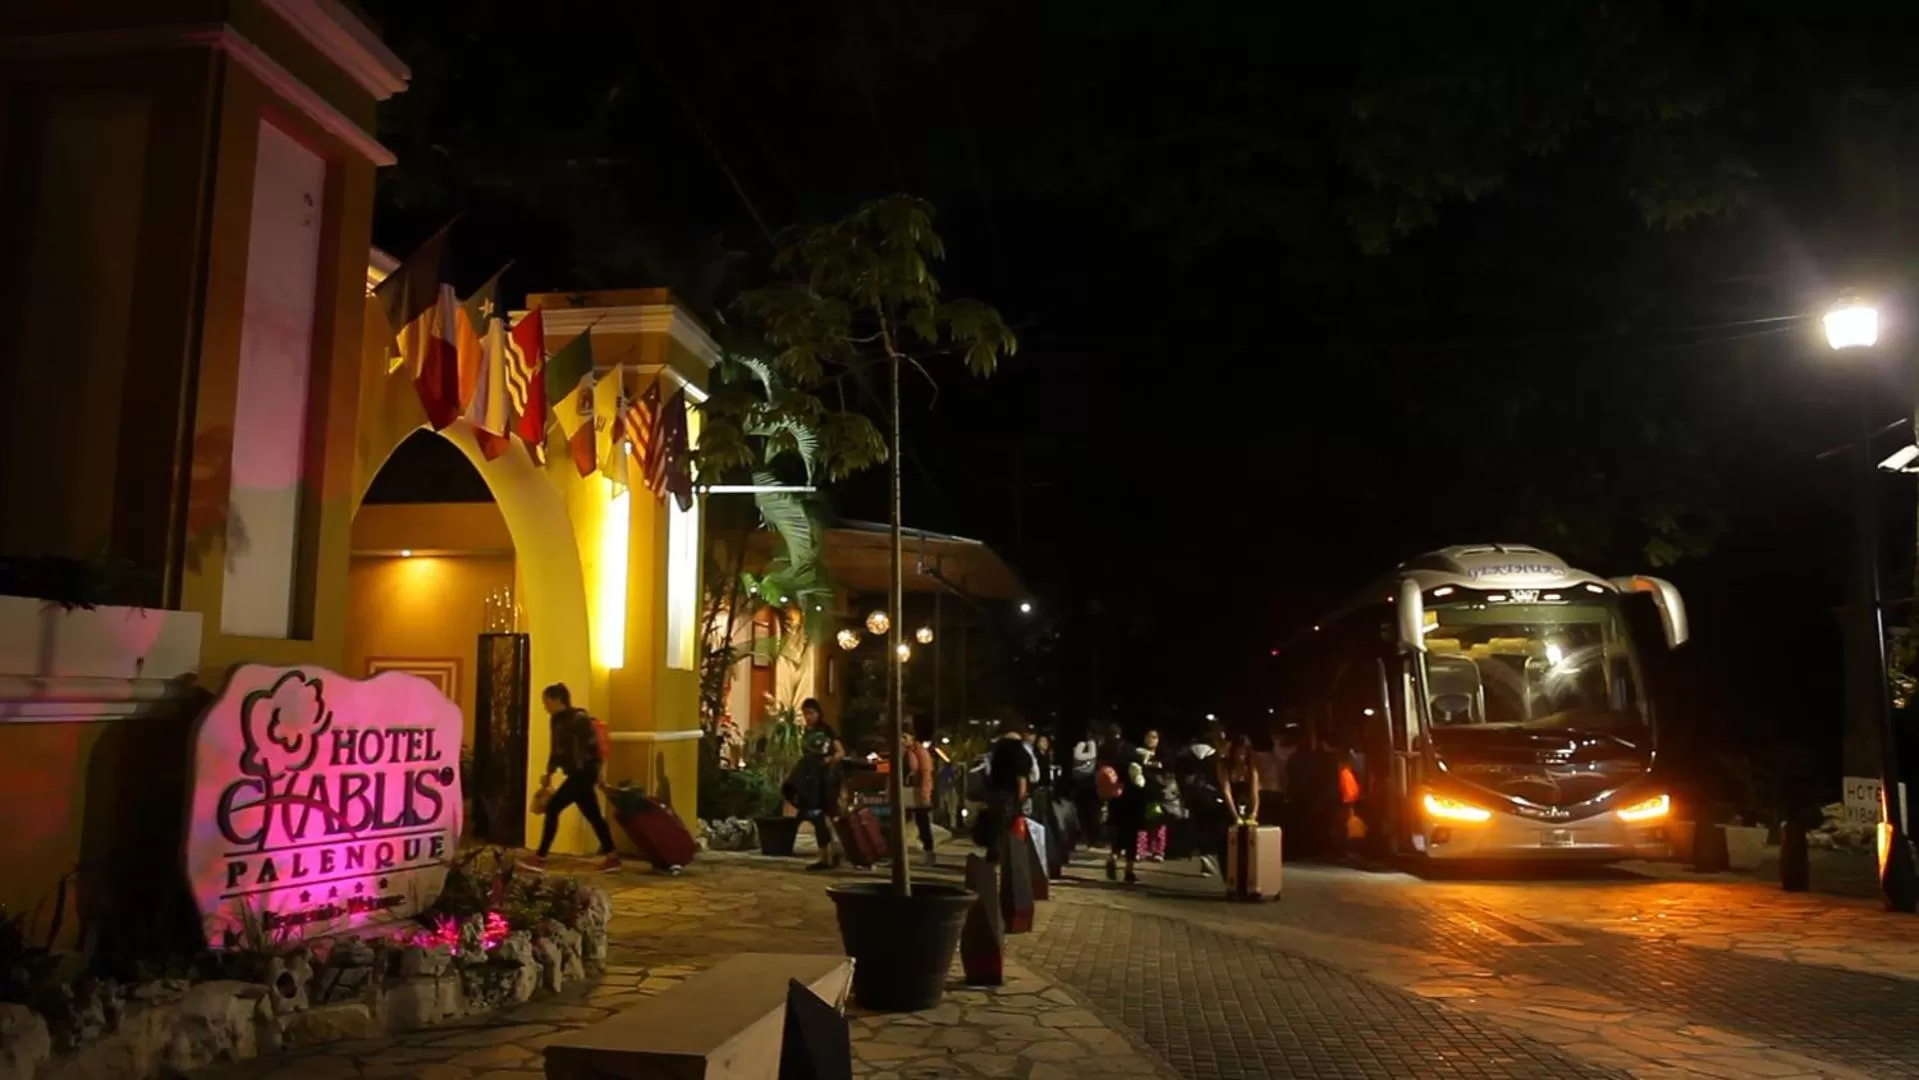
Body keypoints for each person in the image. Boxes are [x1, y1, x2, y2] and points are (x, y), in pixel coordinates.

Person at [526, 684, 619, 872]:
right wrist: (549, 773)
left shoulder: (579, 719)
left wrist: (598, 775)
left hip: (583, 773)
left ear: (557, 700)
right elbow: (556, 749)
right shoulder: (556, 720)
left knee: (553, 808)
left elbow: (593, 748)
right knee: (593, 814)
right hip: (575, 773)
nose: (545, 707)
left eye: (547, 702)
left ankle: (540, 856)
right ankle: (612, 856)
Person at [791, 697, 846, 871]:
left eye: (810, 713)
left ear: (818, 713)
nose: (807, 717)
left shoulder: (826, 730)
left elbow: (840, 752)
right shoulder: (806, 732)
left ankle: (839, 850)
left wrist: (829, 761)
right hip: (812, 780)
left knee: (831, 815)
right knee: (817, 817)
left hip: (828, 779)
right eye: (805, 714)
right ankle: (824, 856)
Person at [984, 723, 1034, 862]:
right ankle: (1008, 857)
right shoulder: (1019, 751)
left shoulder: (997, 750)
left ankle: (993, 855)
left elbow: (989, 772)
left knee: (997, 826)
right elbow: (1021, 775)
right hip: (1011, 793)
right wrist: (1023, 795)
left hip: (996, 792)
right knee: (1009, 826)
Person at [900, 728, 938, 868]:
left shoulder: (920, 752)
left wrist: (925, 795)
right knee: (898, 822)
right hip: (904, 790)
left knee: (922, 822)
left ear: (912, 737)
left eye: (905, 737)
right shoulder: (901, 751)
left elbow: (926, 773)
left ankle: (929, 851)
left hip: (916, 791)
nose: (902, 740)